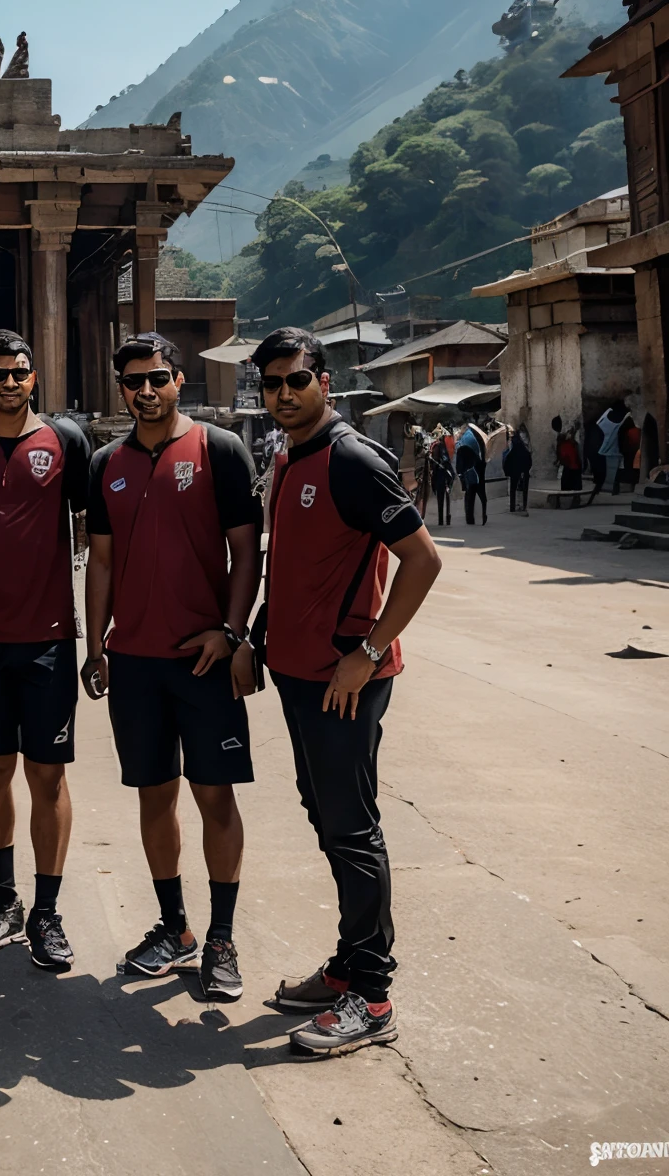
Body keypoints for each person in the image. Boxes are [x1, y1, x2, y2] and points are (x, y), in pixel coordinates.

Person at [251, 327, 441, 1056]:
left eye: (297, 380)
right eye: (272, 384)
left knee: (353, 828)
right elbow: (293, 568)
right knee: (329, 818)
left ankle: (373, 994)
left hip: (344, 679)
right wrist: (257, 640)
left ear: (324, 383)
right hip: (298, 674)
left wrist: (365, 653)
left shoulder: (352, 459)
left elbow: (421, 561)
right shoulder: (287, 456)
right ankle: (348, 966)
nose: (284, 393)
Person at [82, 332, 262, 1002]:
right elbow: (99, 558)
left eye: (157, 378)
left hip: (203, 659)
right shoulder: (107, 463)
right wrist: (96, 643)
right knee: (154, 795)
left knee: (215, 796)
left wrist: (232, 630)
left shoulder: (219, 449)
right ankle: (174, 927)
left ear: (178, 380)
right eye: (133, 382)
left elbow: (246, 551)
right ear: (120, 389)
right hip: (133, 661)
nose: (146, 391)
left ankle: (221, 938)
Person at [0, 329, 90, 972]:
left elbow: (102, 534)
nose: (9, 381)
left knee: (47, 775)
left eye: (19, 372)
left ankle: (46, 911)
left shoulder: (66, 441)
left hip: (49, 637)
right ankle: (4, 901)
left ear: (35, 379)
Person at [455, 421, 487, 525]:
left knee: (470, 495)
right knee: (481, 495)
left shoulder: (465, 440)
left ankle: (470, 518)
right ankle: (482, 515)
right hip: (478, 469)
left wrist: (460, 473)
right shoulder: (474, 438)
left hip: (470, 471)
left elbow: (460, 460)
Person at [427, 430, 455, 527]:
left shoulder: (436, 447)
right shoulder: (443, 446)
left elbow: (433, 463)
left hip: (439, 474)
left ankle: (441, 520)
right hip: (446, 473)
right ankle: (447, 518)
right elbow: (447, 460)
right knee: (446, 497)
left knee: (440, 498)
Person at [504, 423, 533, 515]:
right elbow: (528, 458)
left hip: (514, 470)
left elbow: (507, 459)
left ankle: (512, 507)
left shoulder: (512, 446)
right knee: (523, 489)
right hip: (524, 470)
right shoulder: (522, 446)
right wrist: (527, 469)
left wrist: (507, 470)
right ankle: (523, 506)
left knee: (513, 489)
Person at [554, 415, 583, 493]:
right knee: (568, 485)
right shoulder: (562, 442)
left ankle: (573, 499)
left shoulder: (569, 442)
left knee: (571, 485)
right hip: (569, 464)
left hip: (572, 464)